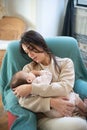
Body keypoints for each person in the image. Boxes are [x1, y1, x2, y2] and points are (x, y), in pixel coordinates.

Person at [13, 30, 87, 130]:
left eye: (31, 49)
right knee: (80, 125)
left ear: (41, 44)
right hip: (47, 118)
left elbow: (65, 87)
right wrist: (50, 102)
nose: (30, 55)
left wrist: (32, 88)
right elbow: (23, 101)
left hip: (73, 110)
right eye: (27, 52)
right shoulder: (28, 70)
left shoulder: (65, 63)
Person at [10, 69, 87, 119]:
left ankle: (80, 114)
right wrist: (38, 72)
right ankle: (84, 109)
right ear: (29, 80)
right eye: (28, 73)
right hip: (65, 100)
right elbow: (48, 74)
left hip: (52, 114)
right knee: (75, 97)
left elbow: (23, 101)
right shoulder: (38, 81)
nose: (29, 72)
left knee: (72, 113)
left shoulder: (25, 95)